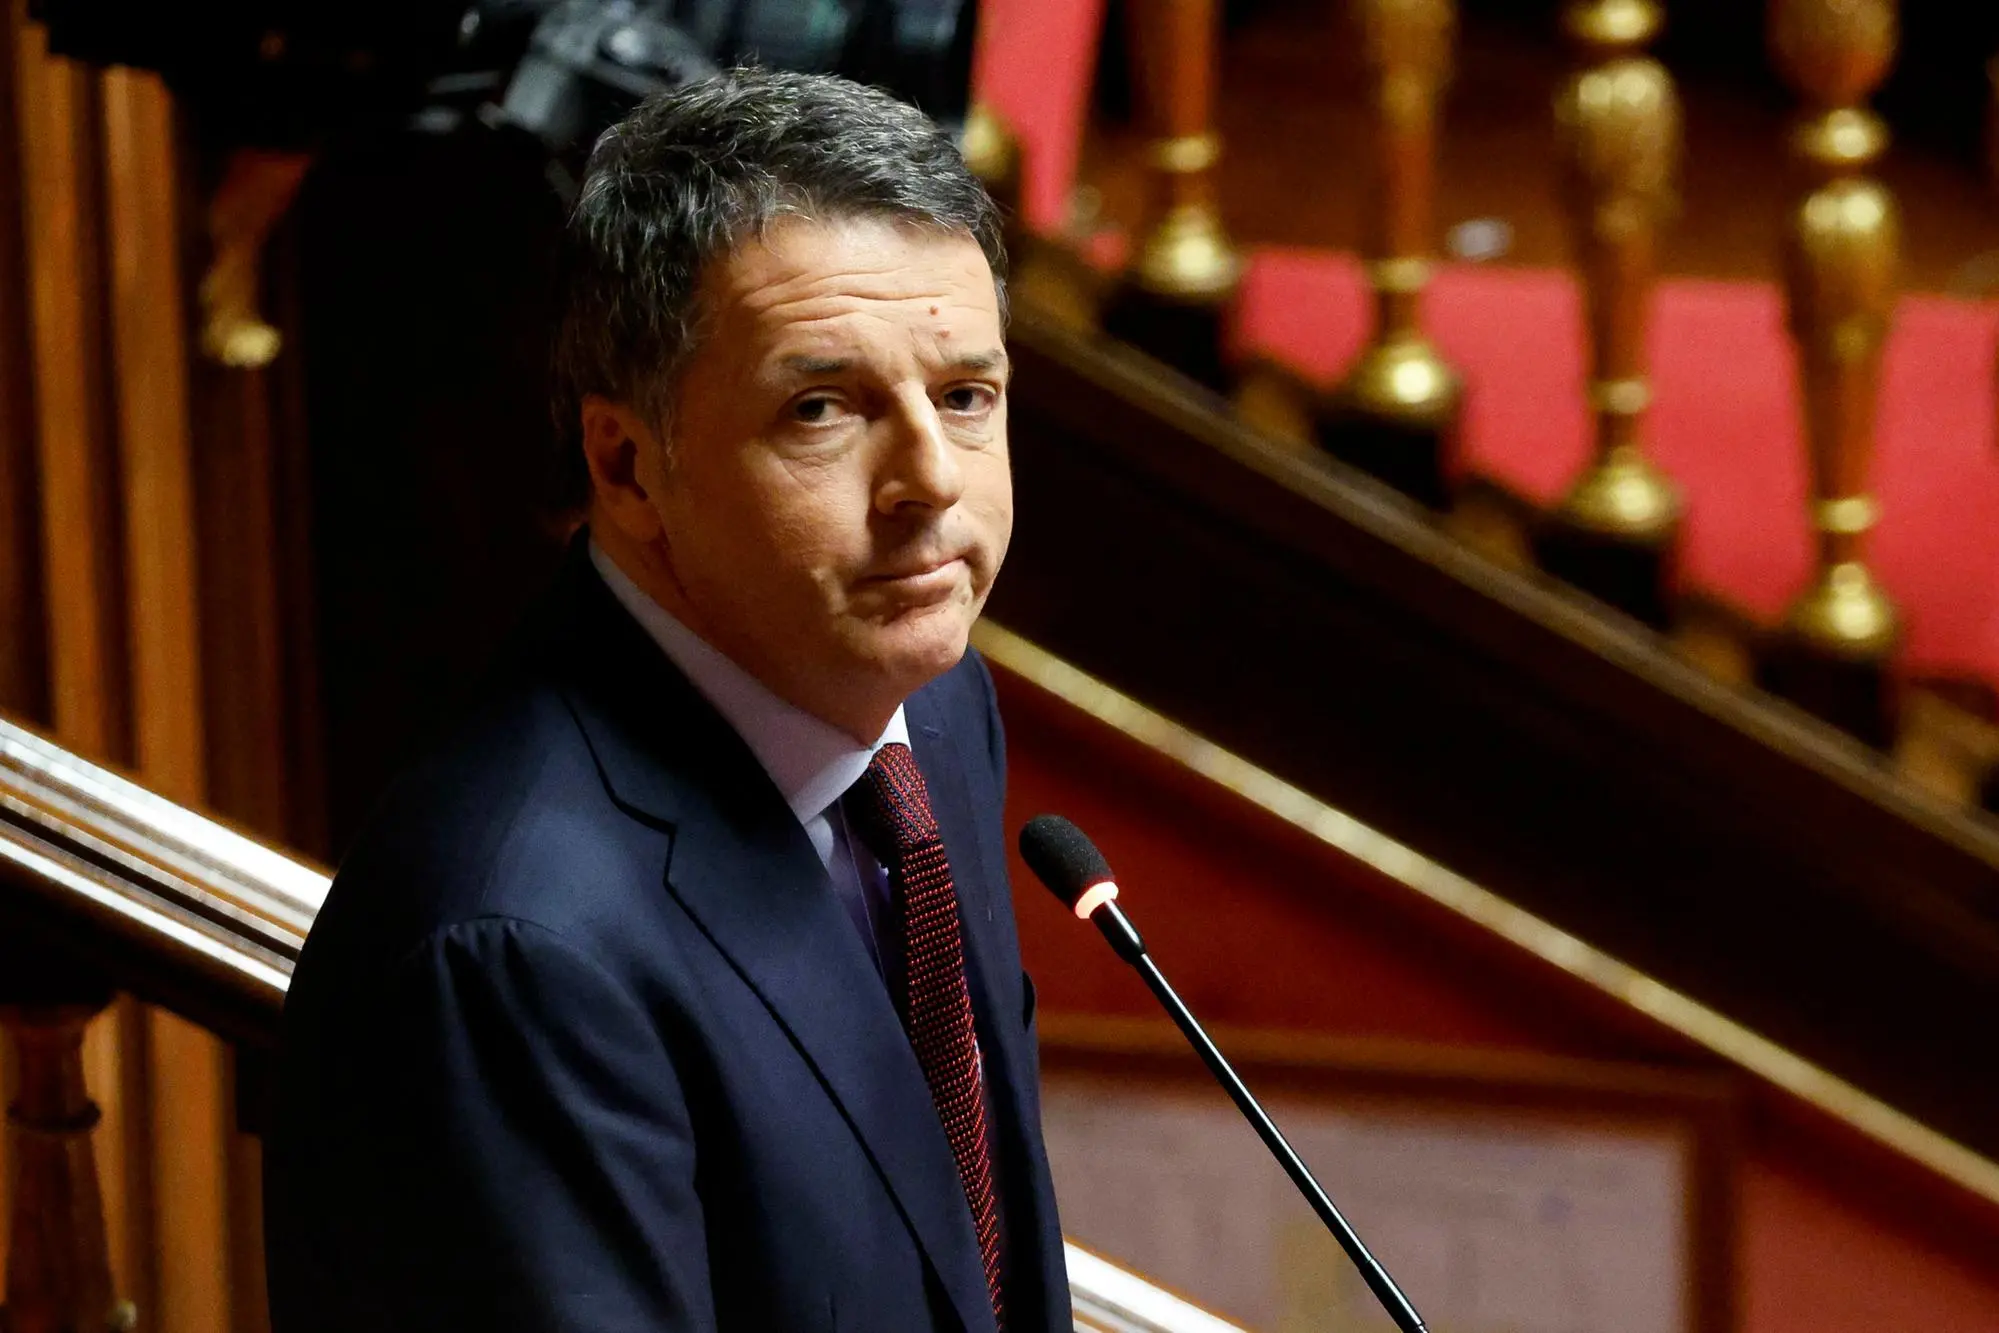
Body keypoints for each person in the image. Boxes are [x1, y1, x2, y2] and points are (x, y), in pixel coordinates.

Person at [264, 68, 1068, 1333]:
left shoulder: (936, 709)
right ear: (627, 467)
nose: (929, 479)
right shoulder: (515, 952)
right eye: (823, 409)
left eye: (965, 396)